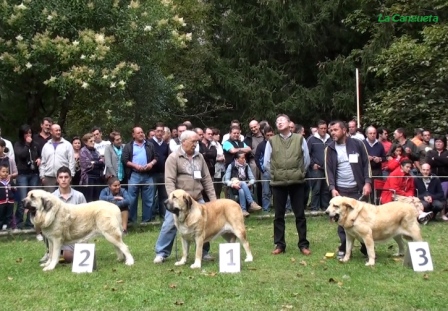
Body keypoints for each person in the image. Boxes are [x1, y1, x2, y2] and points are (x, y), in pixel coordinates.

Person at [153, 130, 216, 264]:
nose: (195, 144)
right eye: (193, 141)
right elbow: (169, 181)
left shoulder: (200, 157)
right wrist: (173, 201)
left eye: (197, 141)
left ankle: (204, 253)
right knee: (169, 224)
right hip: (180, 201)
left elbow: (206, 179)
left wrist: (214, 200)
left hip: (197, 199)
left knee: (204, 225)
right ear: (183, 142)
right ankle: (161, 253)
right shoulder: (173, 158)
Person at [263, 114, 311, 256]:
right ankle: (279, 245)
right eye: (277, 121)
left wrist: (301, 173)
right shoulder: (271, 141)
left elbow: (306, 159)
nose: (279, 123)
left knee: (300, 215)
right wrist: (274, 175)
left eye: (282, 120)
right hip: (278, 183)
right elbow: (266, 162)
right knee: (278, 216)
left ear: (289, 123)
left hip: (297, 182)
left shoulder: (300, 139)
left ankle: (303, 244)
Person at [325, 120, 371, 260]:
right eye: (330, 130)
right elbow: (328, 171)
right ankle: (344, 247)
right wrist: (332, 188)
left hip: (359, 188)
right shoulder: (329, 148)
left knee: (363, 220)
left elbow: (366, 164)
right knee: (342, 221)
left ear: (344, 130)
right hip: (341, 191)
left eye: (335, 130)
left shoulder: (358, 144)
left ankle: (366, 247)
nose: (332, 132)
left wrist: (367, 182)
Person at [39, 166, 87, 264]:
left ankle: (60, 253)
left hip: (75, 233)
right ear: (57, 179)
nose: (63, 180)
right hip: (56, 233)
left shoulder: (79, 196)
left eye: (66, 177)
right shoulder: (51, 198)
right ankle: (50, 252)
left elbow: (85, 216)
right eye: (61, 177)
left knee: (68, 257)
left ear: (70, 178)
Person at [122, 127, 158, 223]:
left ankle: (146, 220)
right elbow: (125, 160)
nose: (141, 134)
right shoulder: (128, 146)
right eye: (138, 133)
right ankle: (131, 220)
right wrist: (135, 166)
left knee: (148, 199)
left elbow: (156, 157)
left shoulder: (150, 145)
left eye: (142, 132)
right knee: (132, 199)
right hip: (134, 175)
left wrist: (151, 164)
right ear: (133, 135)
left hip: (148, 175)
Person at [380, 160, 433, 224]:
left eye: (410, 167)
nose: (409, 169)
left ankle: (420, 216)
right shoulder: (394, 174)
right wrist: (407, 195)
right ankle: (420, 214)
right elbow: (395, 189)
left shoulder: (409, 176)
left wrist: (410, 195)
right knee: (409, 201)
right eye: (407, 167)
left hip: (403, 195)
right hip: (392, 194)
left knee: (416, 199)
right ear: (401, 166)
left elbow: (411, 188)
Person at [14, 125, 40, 229]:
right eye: (26, 133)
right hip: (22, 174)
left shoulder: (35, 145)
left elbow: (39, 155)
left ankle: (30, 223)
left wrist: (39, 159)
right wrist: (27, 144)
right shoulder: (18, 144)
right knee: (23, 199)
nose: (29, 135)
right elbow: (22, 155)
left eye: (30, 133)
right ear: (22, 134)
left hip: (34, 174)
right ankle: (19, 223)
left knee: (33, 199)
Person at [39, 124, 75, 193]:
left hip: (63, 177)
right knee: (49, 200)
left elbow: (71, 162)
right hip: (49, 177)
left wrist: (71, 175)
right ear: (51, 132)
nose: (58, 132)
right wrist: (42, 177)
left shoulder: (67, 145)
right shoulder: (46, 146)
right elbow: (43, 163)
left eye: (59, 130)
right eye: (56, 130)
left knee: (64, 198)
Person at [224, 152, 261, 217]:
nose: (244, 160)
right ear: (236, 159)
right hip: (234, 188)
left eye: (244, 158)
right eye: (242, 158)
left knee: (242, 190)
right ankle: (251, 203)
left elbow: (252, 178)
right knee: (243, 184)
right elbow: (226, 180)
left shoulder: (246, 166)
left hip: (245, 188)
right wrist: (233, 185)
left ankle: (243, 210)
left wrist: (249, 184)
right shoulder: (231, 166)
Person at [307, 120, 331, 214]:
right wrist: (312, 164)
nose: (324, 130)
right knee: (316, 189)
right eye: (321, 128)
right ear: (317, 129)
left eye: (325, 128)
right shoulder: (311, 139)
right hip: (316, 168)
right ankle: (314, 208)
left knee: (325, 189)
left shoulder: (330, 139)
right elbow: (307, 154)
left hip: (327, 168)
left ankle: (325, 207)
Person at [147, 123, 170, 221]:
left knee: (163, 196)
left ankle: (163, 216)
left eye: (162, 131)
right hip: (152, 174)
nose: (160, 133)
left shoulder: (165, 145)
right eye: (158, 131)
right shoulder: (149, 143)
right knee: (151, 196)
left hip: (163, 173)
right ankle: (150, 217)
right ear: (155, 132)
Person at [79, 133, 105, 202]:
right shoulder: (83, 151)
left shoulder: (96, 151)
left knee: (97, 199)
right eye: (91, 141)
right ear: (85, 142)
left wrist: (94, 162)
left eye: (94, 141)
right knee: (89, 200)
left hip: (98, 178)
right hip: (88, 179)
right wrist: (98, 162)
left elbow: (103, 163)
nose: (93, 143)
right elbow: (86, 165)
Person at [255, 126, 274, 212]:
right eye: (268, 135)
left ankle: (281, 208)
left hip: (277, 171)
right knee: (266, 192)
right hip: (266, 172)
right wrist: (263, 170)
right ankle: (266, 209)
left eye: (271, 134)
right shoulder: (261, 145)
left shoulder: (278, 144)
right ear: (264, 135)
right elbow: (257, 158)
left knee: (278, 190)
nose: (270, 137)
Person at [0, 163, 16, 230]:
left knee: (9, 215)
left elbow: (14, 189)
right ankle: (1, 227)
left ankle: (8, 227)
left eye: (7, 172)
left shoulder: (10, 181)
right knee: (1, 215)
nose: (5, 173)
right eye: (3, 172)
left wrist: (14, 188)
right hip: (1, 202)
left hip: (10, 201)